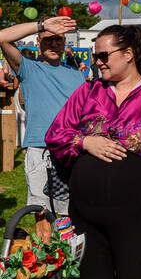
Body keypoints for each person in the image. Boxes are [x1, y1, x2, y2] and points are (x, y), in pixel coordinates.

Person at [45, 25, 141, 279]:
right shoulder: (88, 92)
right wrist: (85, 141)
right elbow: (55, 135)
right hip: (86, 214)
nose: (97, 62)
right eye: (94, 56)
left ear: (128, 54)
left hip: (136, 215)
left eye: (103, 56)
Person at [0, 17, 85, 240]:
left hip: (73, 151)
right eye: (48, 39)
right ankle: (48, 266)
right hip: (41, 151)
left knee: (70, 215)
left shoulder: (77, 74)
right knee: (43, 214)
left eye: (58, 40)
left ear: (65, 43)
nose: (53, 44)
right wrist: (42, 25)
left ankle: (68, 268)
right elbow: (2, 37)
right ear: (38, 42)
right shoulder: (28, 68)